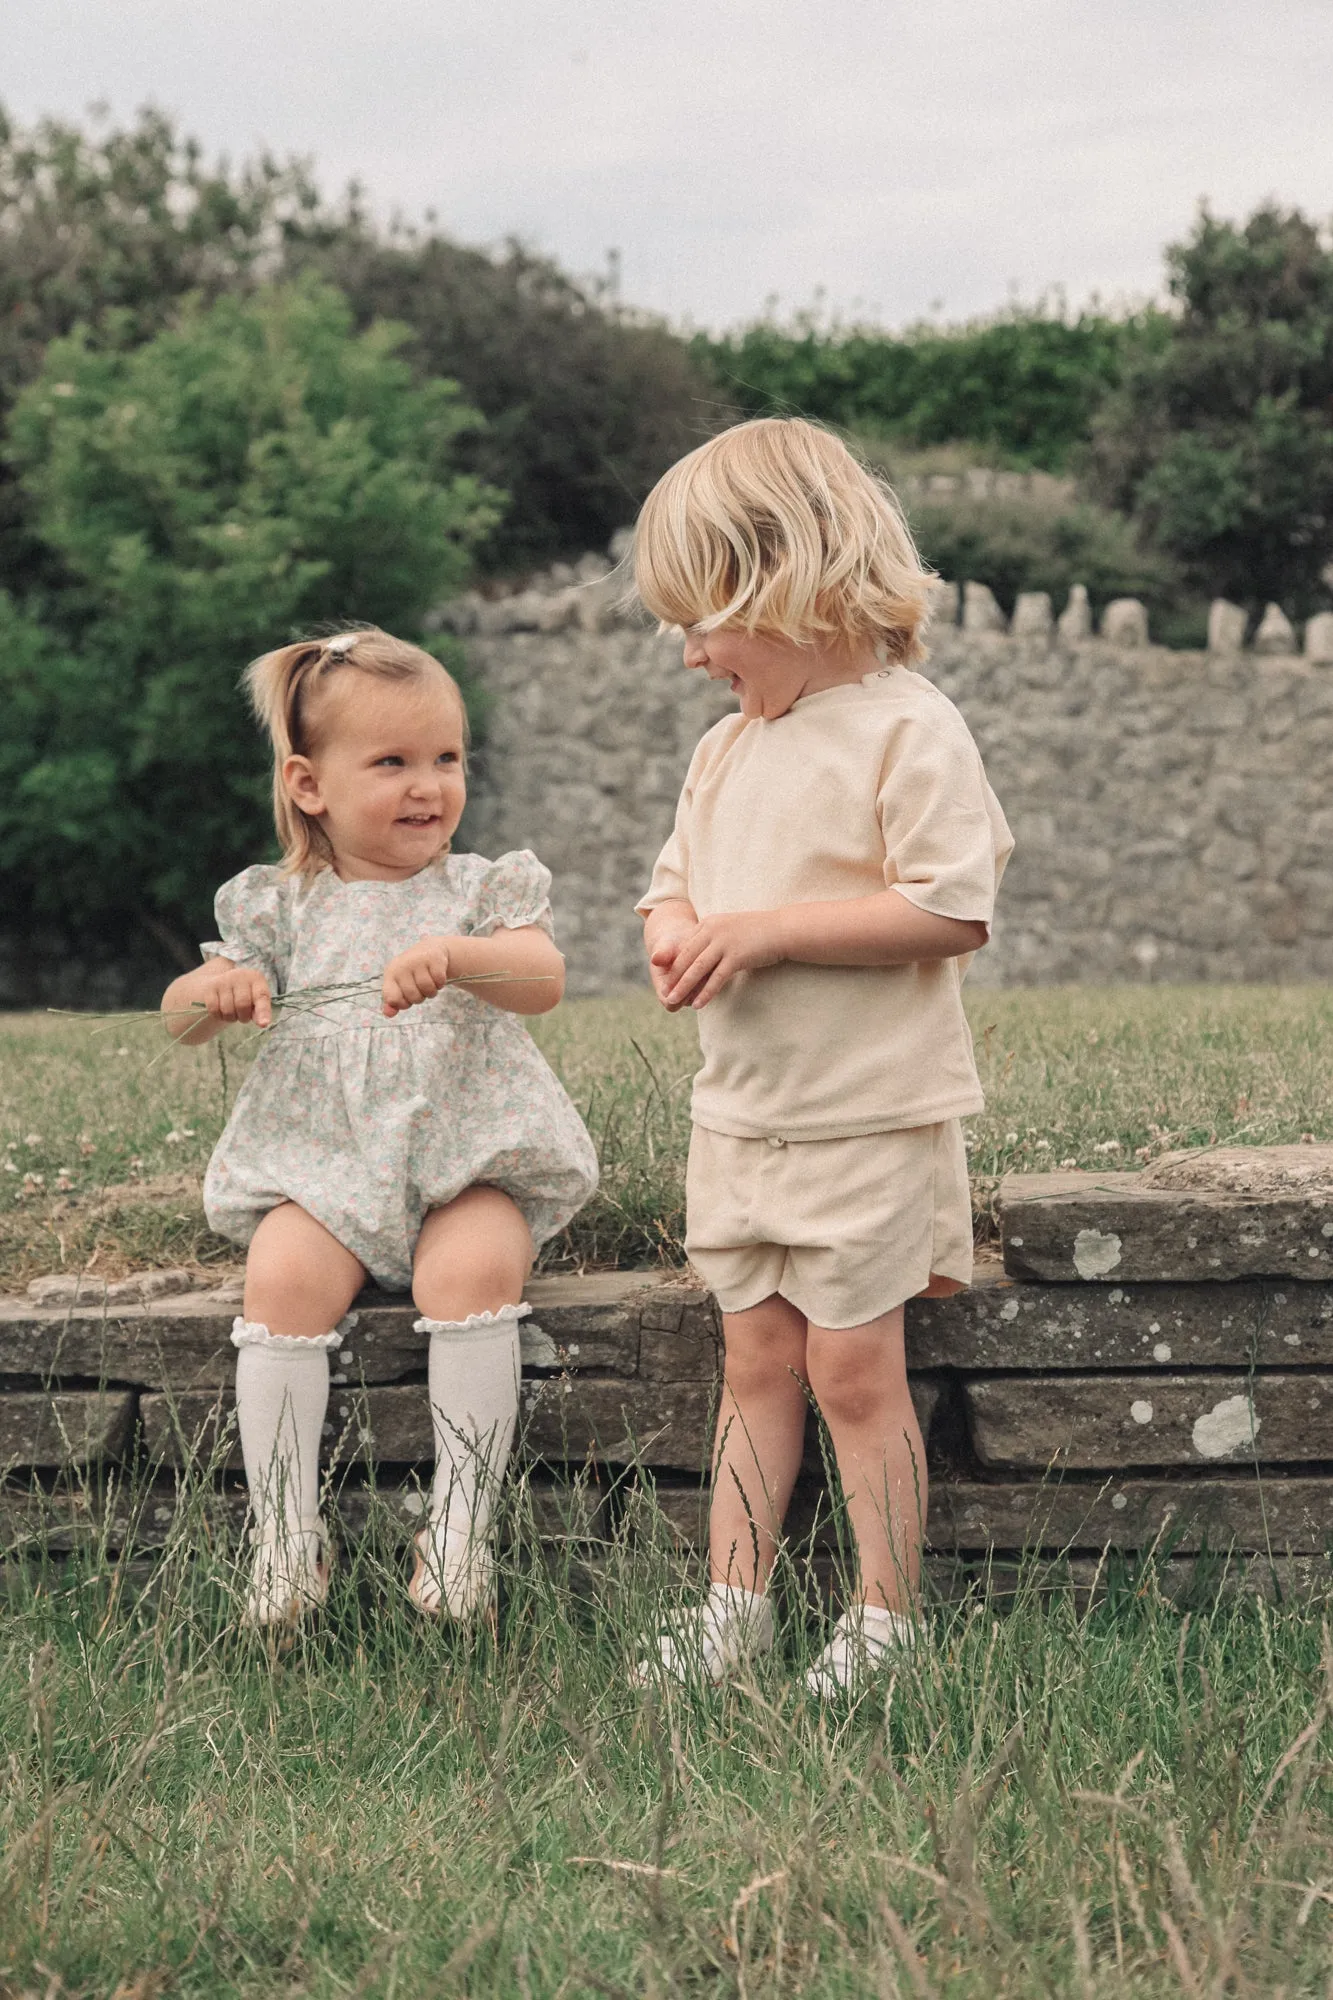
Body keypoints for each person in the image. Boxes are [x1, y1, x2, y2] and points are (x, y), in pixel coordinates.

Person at [633, 419, 1012, 1694]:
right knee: (754, 1361)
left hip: (866, 1116)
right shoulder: (724, 749)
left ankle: (882, 1618)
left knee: (853, 1368)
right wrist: (680, 932)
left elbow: (951, 909)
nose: (690, 653)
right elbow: (670, 889)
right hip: (741, 1116)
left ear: (784, 585)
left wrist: (768, 931)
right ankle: (731, 1605)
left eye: (704, 621)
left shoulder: (909, 730)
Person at [161, 627, 598, 1631]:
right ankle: (285, 1536)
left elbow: (544, 977)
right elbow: (181, 1014)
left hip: (465, 1159)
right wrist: (218, 986)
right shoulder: (279, 905)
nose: (427, 785)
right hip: (326, 1168)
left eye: (446, 759)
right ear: (310, 783)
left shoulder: (480, 890)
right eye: (393, 761)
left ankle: (458, 1525)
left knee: (476, 1269)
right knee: (281, 1281)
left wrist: (457, 955)